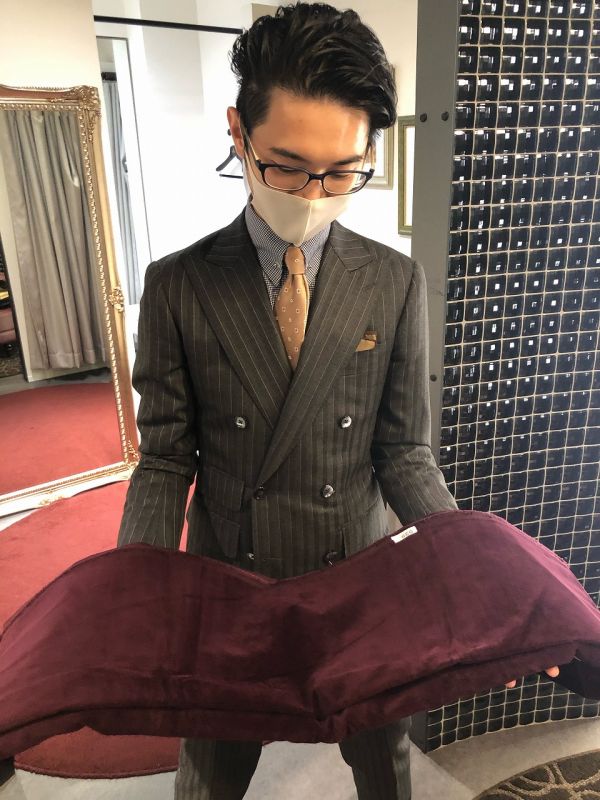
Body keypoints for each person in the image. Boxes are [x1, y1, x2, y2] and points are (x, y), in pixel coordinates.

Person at [117, 3, 559, 797]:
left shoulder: (393, 279)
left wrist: (475, 573)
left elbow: (404, 451)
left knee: (383, 766)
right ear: (238, 134)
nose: (315, 193)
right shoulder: (178, 283)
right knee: (210, 771)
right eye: (287, 166)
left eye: (343, 171)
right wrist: (128, 591)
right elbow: (165, 458)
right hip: (232, 579)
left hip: (357, 579)